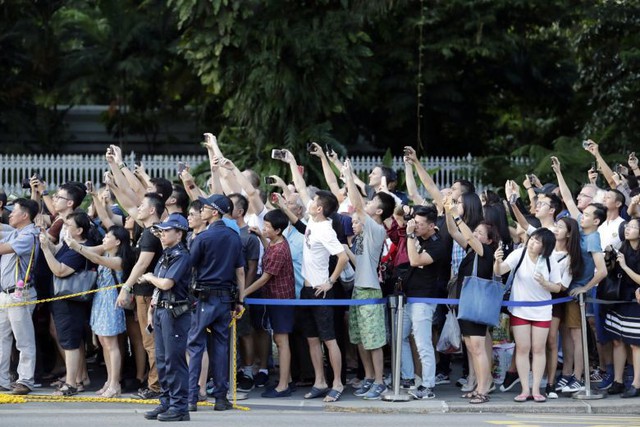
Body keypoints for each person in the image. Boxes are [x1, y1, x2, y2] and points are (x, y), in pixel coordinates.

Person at [341, 159, 395, 400]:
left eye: (373, 201)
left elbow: (356, 204)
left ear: (380, 211)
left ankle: (380, 381)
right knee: (360, 339)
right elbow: (358, 260)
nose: (369, 203)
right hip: (358, 289)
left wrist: (349, 177)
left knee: (373, 340)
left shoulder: (376, 228)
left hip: (370, 290)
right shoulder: (364, 232)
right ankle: (369, 377)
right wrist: (343, 249)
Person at [188, 194, 245, 412]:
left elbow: (189, 267)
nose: (201, 210)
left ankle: (192, 397)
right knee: (220, 348)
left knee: (195, 346)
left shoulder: (202, 238)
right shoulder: (234, 236)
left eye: (205, 208)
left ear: (214, 212)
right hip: (226, 298)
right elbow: (240, 272)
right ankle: (221, 398)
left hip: (203, 298)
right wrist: (240, 300)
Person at [64, 225, 135, 398]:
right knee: (103, 342)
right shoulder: (106, 252)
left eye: (108, 237)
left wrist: (76, 246)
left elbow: (95, 258)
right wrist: (72, 243)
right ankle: (109, 381)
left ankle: (115, 383)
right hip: (100, 301)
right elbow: (90, 251)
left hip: (111, 302)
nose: (104, 239)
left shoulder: (118, 260)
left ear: (117, 241)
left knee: (111, 344)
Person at [494, 228, 563, 403]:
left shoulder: (550, 260)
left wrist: (545, 283)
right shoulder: (519, 254)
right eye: (532, 238)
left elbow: (558, 287)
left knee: (539, 349)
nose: (532, 242)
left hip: (542, 309)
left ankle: (536, 389)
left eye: (537, 241)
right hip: (520, 309)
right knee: (523, 348)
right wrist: (497, 261)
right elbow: (499, 271)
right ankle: (525, 389)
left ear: (545, 246)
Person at [444, 196, 498, 404]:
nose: (475, 235)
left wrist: (458, 217)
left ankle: (483, 388)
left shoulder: (487, 252)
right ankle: (478, 386)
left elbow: (467, 235)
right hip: (466, 302)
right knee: (471, 348)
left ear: (489, 240)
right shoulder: (470, 252)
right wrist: (449, 212)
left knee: (477, 348)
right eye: (475, 231)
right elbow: (453, 231)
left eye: (480, 233)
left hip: (477, 304)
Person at [39, 211, 99, 396]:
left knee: (70, 343)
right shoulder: (70, 244)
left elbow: (59, 270)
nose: (64, 228)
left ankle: (71, 383)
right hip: (63, 300)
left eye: (69, 225)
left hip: (70, 301)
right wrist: (46, 240)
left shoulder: (80, 248)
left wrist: (45, 250)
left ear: (80, 230)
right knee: (73, 341)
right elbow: (57, 251)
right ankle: (79, 378)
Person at [142, 214, 193, 422]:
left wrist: (149, 277)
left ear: (179, 234)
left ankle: (180, 406)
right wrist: (151, 310)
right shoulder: (166, 255)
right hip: (162, 310)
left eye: (166, 231)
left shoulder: (181, 255)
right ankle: (166, 402)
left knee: (174, 360)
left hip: (175, 313)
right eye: (161, 231)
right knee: (162, 360)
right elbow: (159, 288)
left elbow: (166, 284)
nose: (162, 235)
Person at [299, 191, 349, 403]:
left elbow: (343, 257)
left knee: (329, 339)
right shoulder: (312, 220)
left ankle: (337, 383)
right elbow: (303, 190)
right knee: (311, 339)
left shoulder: (326, 230)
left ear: (319, 208)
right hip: (306, 289)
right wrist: (291, 165)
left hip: (322, 291)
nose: (309, 202)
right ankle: (320, 381)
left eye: (313, 201)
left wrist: (330, 281)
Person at [116, 193, 165, 400]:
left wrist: (125, 287)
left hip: (147, 294)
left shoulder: (150, 234)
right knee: (149, 341)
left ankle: (155, 386)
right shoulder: (149, 230)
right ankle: (155, 383)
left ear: (152, 210)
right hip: (143, 294)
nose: (138, 208)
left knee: (151, 342)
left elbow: (142, 264)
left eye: (143, 205)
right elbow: (127, 203)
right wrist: (116, 168)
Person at [244, 209, 296, 397]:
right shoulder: (276, 243)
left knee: (281, 341)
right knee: (279, 340)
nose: (264, 228)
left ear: (278, 230)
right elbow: (270, 249)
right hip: (276, 299)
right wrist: (261, 237)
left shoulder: (279, 250)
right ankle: (286, 379)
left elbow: (264, 278)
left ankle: (283, 386)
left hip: (281, 301)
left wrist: (244, 292)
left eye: (267, 227)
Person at [0, 198, 40, 395]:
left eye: (13, 211)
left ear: (25, 215)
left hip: (19, 295)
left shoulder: (29, 236)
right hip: (5, 294)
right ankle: (3, 380)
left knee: (23, 340)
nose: (9, 214)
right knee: (2, 338)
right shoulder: (16, 232)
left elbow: (2, 248)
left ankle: (25, 380)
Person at [604, 218, 640, 397]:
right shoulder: (622, 247)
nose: (628, 229)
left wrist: (624, 266)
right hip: (618, 299)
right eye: (628, 226)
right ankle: (618, 380)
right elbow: (610, 272)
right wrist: (609, 257)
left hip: (635, 300)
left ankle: (636, 383)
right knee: (617, 340)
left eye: (633, 227)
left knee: (635, 343)